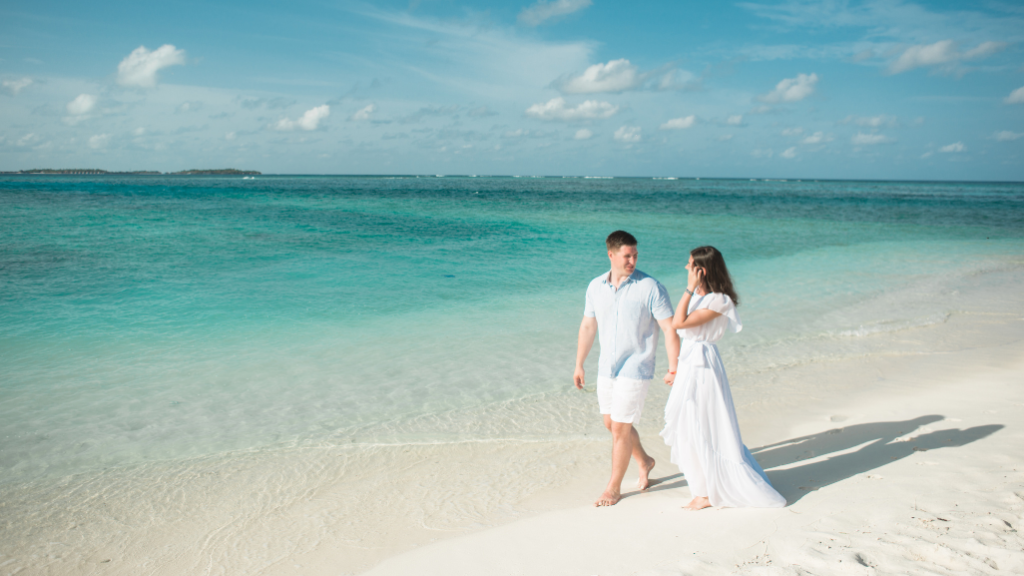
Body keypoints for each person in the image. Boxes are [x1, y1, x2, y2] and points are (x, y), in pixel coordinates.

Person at [660, 246, 786, 510]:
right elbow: (681, 328)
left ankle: (707, 493)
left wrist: (687, 288)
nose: (686, 268)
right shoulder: (698, 296)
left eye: (690, 264)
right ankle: (702, 488)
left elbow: (679, 323)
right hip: (690, 364)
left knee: (703, 425)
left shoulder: (720, 300)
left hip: (704, 368)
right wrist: (677, 371)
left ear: (701, 270)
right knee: (686, 426)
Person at [574, 230, 680, 507]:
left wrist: (674, 367)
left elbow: (669, 328)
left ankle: (613, 488)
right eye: (627, 255)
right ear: (611, 255)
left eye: (635, 255)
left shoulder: (651, 287)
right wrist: (579, 364)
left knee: (621, 427)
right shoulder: (595, 286)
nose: (632, 260)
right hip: (606, 367)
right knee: (611, 424)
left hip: (637, 366)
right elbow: (588, 326)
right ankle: (645, 460)